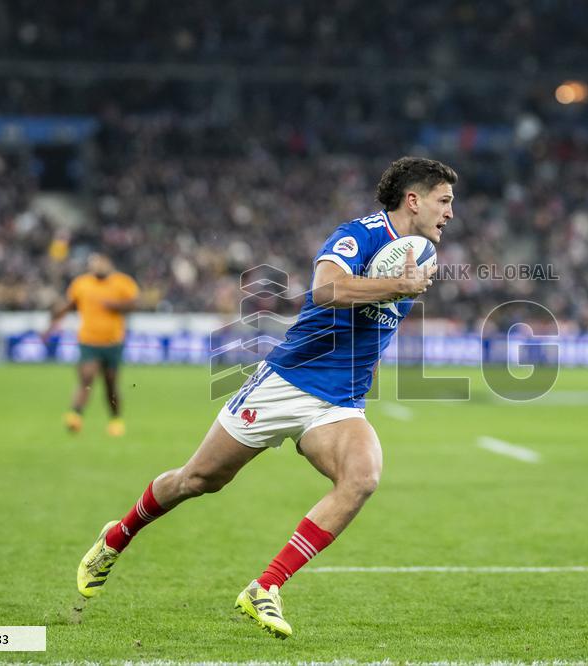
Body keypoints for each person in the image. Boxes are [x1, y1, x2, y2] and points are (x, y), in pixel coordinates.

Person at [74, 156, 456, 639]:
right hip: (285, 385)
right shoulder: (360, 235)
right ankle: (117, 536)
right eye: (444, 201)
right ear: (414, 200)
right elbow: (324, 289)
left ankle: (266, 587)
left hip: (339, 403)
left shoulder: (420, 256)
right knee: (198, 480)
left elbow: (376, 328)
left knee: (362, 477)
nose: (449, 213)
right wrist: (396, 286)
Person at [46, 252, 140, 437]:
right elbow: (70, 305)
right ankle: (75, 415)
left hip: (113, 342)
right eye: (94, 263)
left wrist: (115, 305)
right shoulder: (81, 284)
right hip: (88, 340)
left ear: (109, 264)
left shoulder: (122, 282)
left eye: (101, 263)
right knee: (87, 377)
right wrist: (53, 322)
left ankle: (115, 420)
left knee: (110, 383)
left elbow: (134, 304)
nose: (98, 266)